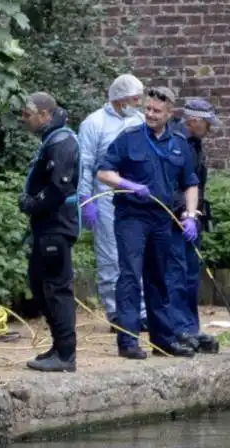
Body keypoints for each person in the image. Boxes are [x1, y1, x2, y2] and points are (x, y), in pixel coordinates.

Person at [96, 86, 200, 360]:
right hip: (132, 216)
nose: (151, 115)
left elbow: (190, 183)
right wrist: (129, 185)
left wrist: (191, 215)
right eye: (148, 109)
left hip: (162, 219)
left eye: (157, 111)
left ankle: (162, 340)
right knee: (130, 274)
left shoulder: (178, 144)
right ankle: (128, 340)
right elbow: (105, 172)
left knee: (160, 277)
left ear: (169, 113)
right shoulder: (129, 139)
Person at [77, 74, 149, 333]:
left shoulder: (139, 121)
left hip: (135, 195)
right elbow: (84, 164)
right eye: (134, 99)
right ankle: (116, 313)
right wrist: (86, 199)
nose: (138, 103)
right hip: (105, 194)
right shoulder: (94, 123)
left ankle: (139, 312)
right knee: (111, 255)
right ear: (120, 99)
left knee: (135, 255)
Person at [18, 92, 81, 372]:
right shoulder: (51, 140)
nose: (24, 120)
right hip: (46, 226)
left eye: (27, 115)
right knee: (39, 285)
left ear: (44, 114)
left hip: (57, 224)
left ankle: (66, 354)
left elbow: (59, 187)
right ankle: (58, 346)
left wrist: (32, 203)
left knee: (56, 288)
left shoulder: (62, 142)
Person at [166, 98, 223, 354]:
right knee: (176, 275)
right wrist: (182, 212)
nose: (209, 129)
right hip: (175, 218)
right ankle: (177, 330)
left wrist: (196, 214)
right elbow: (172, 182)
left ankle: (190, 327)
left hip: (193, 218)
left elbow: (198, 183)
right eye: (207, 124)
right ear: (195, 121)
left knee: (190, 275)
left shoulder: (194, 144)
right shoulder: (174, 143)